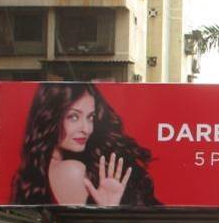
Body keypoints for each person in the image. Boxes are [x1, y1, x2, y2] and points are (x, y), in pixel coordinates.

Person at [11, 82, 159, 207]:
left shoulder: (38, 171)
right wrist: (108, 209)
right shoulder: (72, 171)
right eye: (73, 117)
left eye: (90, 117)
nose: (86, 129)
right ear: (50, 118)